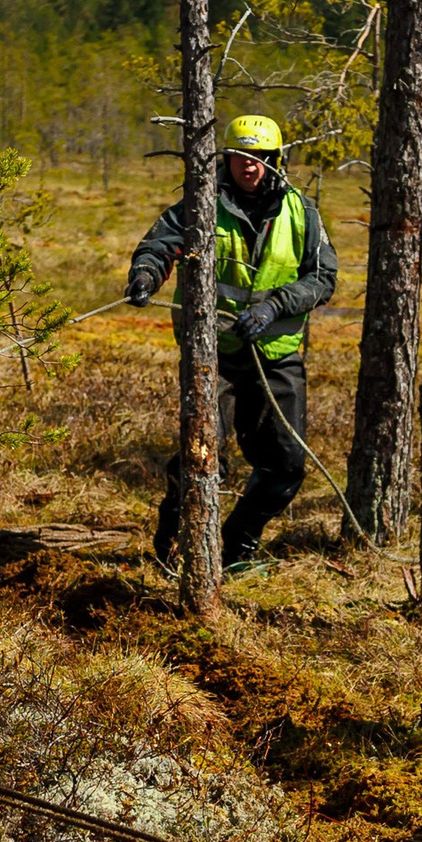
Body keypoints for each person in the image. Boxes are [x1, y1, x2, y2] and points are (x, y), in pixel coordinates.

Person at [125, 114, 338, 573]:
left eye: (260, 157)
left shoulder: (303, 213)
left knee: (286, 466)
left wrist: (274, 307)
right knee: (202, 457)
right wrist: (145, 275)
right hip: (212, 355)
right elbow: (159, 245)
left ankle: (237, 544)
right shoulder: (200, 203)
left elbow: (323, 277)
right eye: (242, 156)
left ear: (276, 161)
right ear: (228, 158)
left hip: (276, 357)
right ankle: (174, 544)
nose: (250, 166)